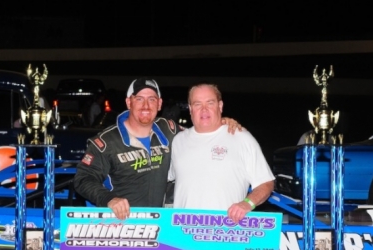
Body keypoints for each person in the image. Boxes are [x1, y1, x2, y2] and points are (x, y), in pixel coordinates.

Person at [73, 78, 242, 220]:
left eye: (152, 99)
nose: (146, 105)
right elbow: (83, 179)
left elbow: (200, 137)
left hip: (166, 224)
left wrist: (221, 123)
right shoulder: (106, 142)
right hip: (124, 226)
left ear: (160, 103)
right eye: (139, 99)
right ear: (128, 102)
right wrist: (109, 199)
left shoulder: (170, 130)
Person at [168, 83, 274, 223]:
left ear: (220, 106)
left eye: (210, 103)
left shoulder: (241, 137)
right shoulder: (178, 141)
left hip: (225, 234)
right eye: (197, 104)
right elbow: (158, 178)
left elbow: (266, 183)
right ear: (190, 109)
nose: (204, 109)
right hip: (182, 234)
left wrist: (247, 203)